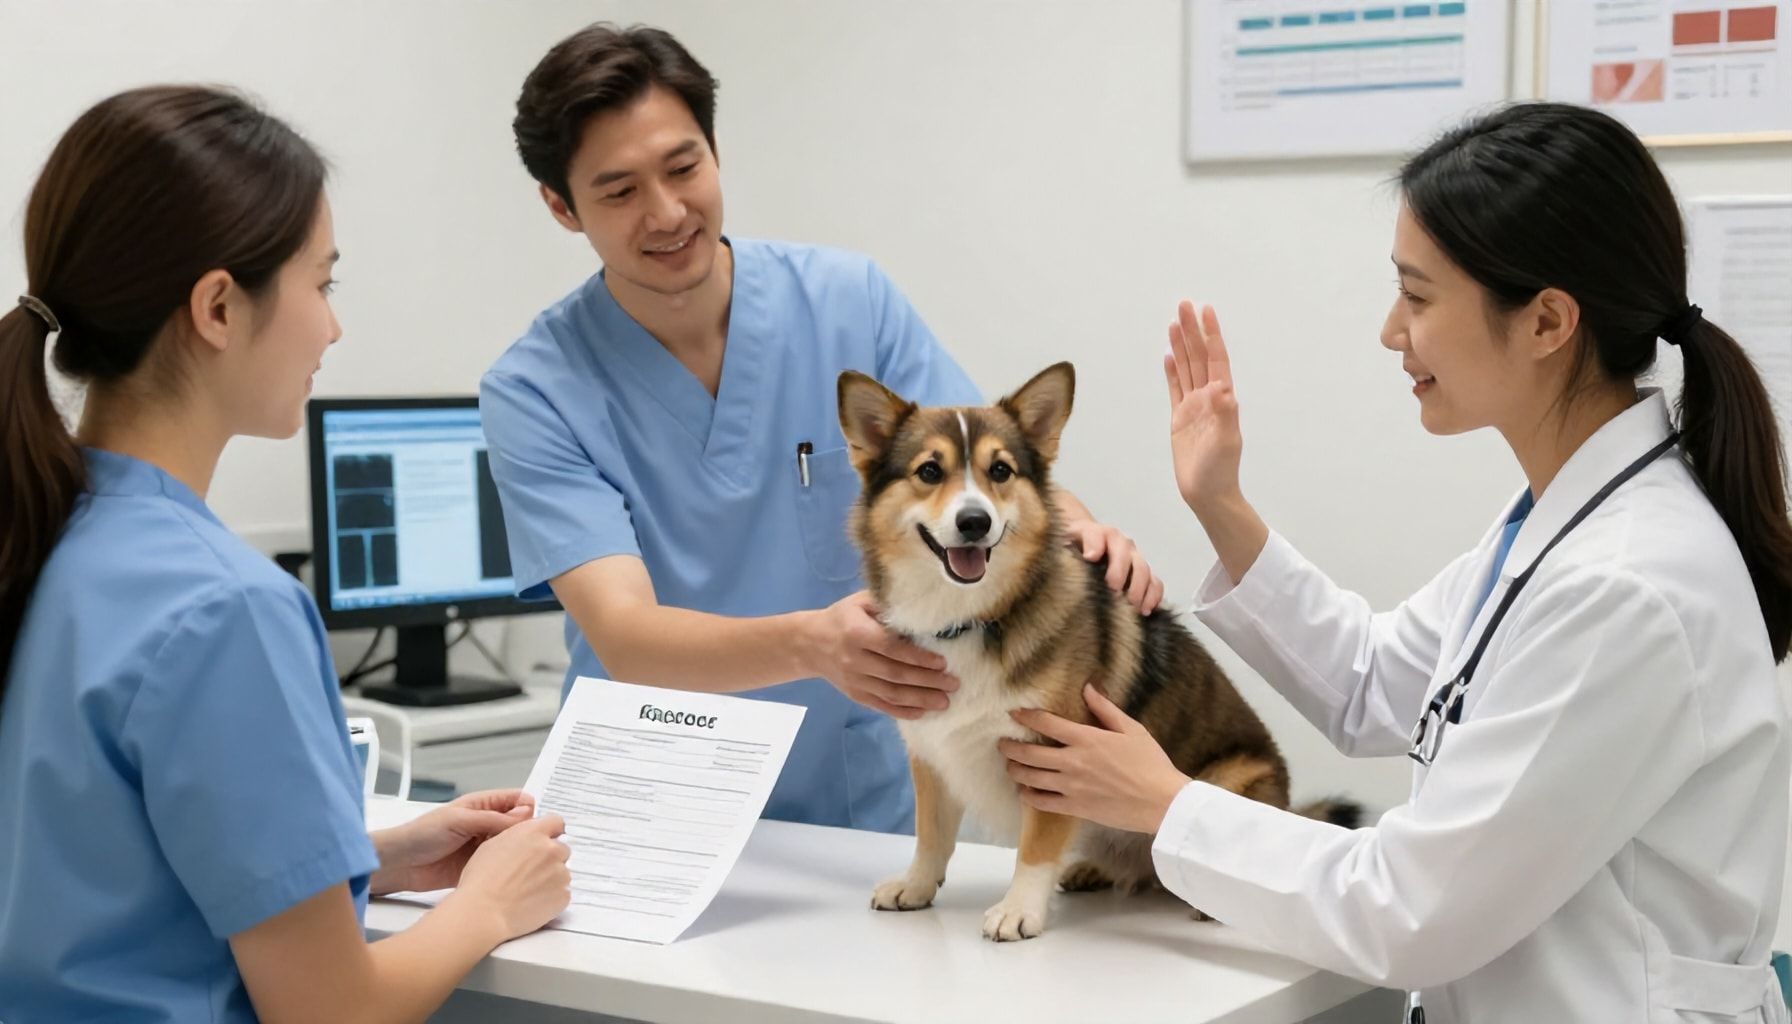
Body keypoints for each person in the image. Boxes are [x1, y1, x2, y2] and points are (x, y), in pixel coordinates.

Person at [1000, 102, 1792, 1022]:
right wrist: (1220, 504)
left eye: (1417, 297)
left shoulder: (1627, 586)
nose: (1390, 329)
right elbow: (1375, 683)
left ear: (1546, 321)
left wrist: (1169, 804)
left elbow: (1412, 911)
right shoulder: (1560, 523)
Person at [482, 23, 1161, 834]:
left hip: (854, 801)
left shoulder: (849, 302)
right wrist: (812, 646)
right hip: (653, 803)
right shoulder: (536, 389)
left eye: (684, 167)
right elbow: (626, 636)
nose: (666, 213)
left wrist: (1084, 530)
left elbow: (980, 461)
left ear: (715, 150)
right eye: (620, 192)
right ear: (561, 206)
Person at [0, 85, 572, 1023]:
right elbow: (333, 1012)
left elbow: (108, 876)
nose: (332, 327)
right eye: (323, 284)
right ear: (219, 308)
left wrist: (373, 860)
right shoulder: (225, 609)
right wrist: (490, 905)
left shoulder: (39, 533)